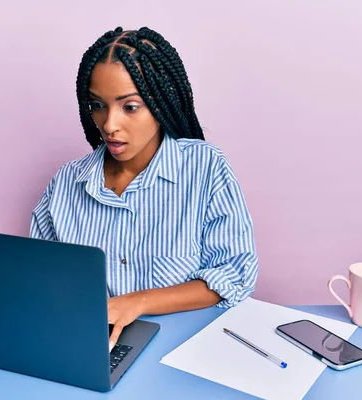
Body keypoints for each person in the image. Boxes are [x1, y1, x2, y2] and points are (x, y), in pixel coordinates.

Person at [30, 27, 258, 351]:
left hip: (184, 354)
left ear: (160, 103)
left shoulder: (206, 169)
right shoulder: (67, 183)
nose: (109, 125)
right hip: (94, 350)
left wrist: (137, 302)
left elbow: (233, 274)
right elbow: (40, 278)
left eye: (130, 107)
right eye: (97, 105)